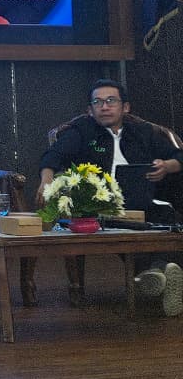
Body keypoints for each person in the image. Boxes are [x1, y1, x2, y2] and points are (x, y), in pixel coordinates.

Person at [39, 78, 183, 315]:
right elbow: (53, 156)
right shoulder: (82, 132)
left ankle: (155, 274)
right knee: (128, 223)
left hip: (145, 200)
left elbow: (179, 156)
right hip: (102, 207)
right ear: (90, 110)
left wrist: (166, 166)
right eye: (97, 102)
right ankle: (158, 273)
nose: (104, 107)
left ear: (125, 107)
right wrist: (46, 180)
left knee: (170, 221)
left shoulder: (143, 132)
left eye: (110, 101)